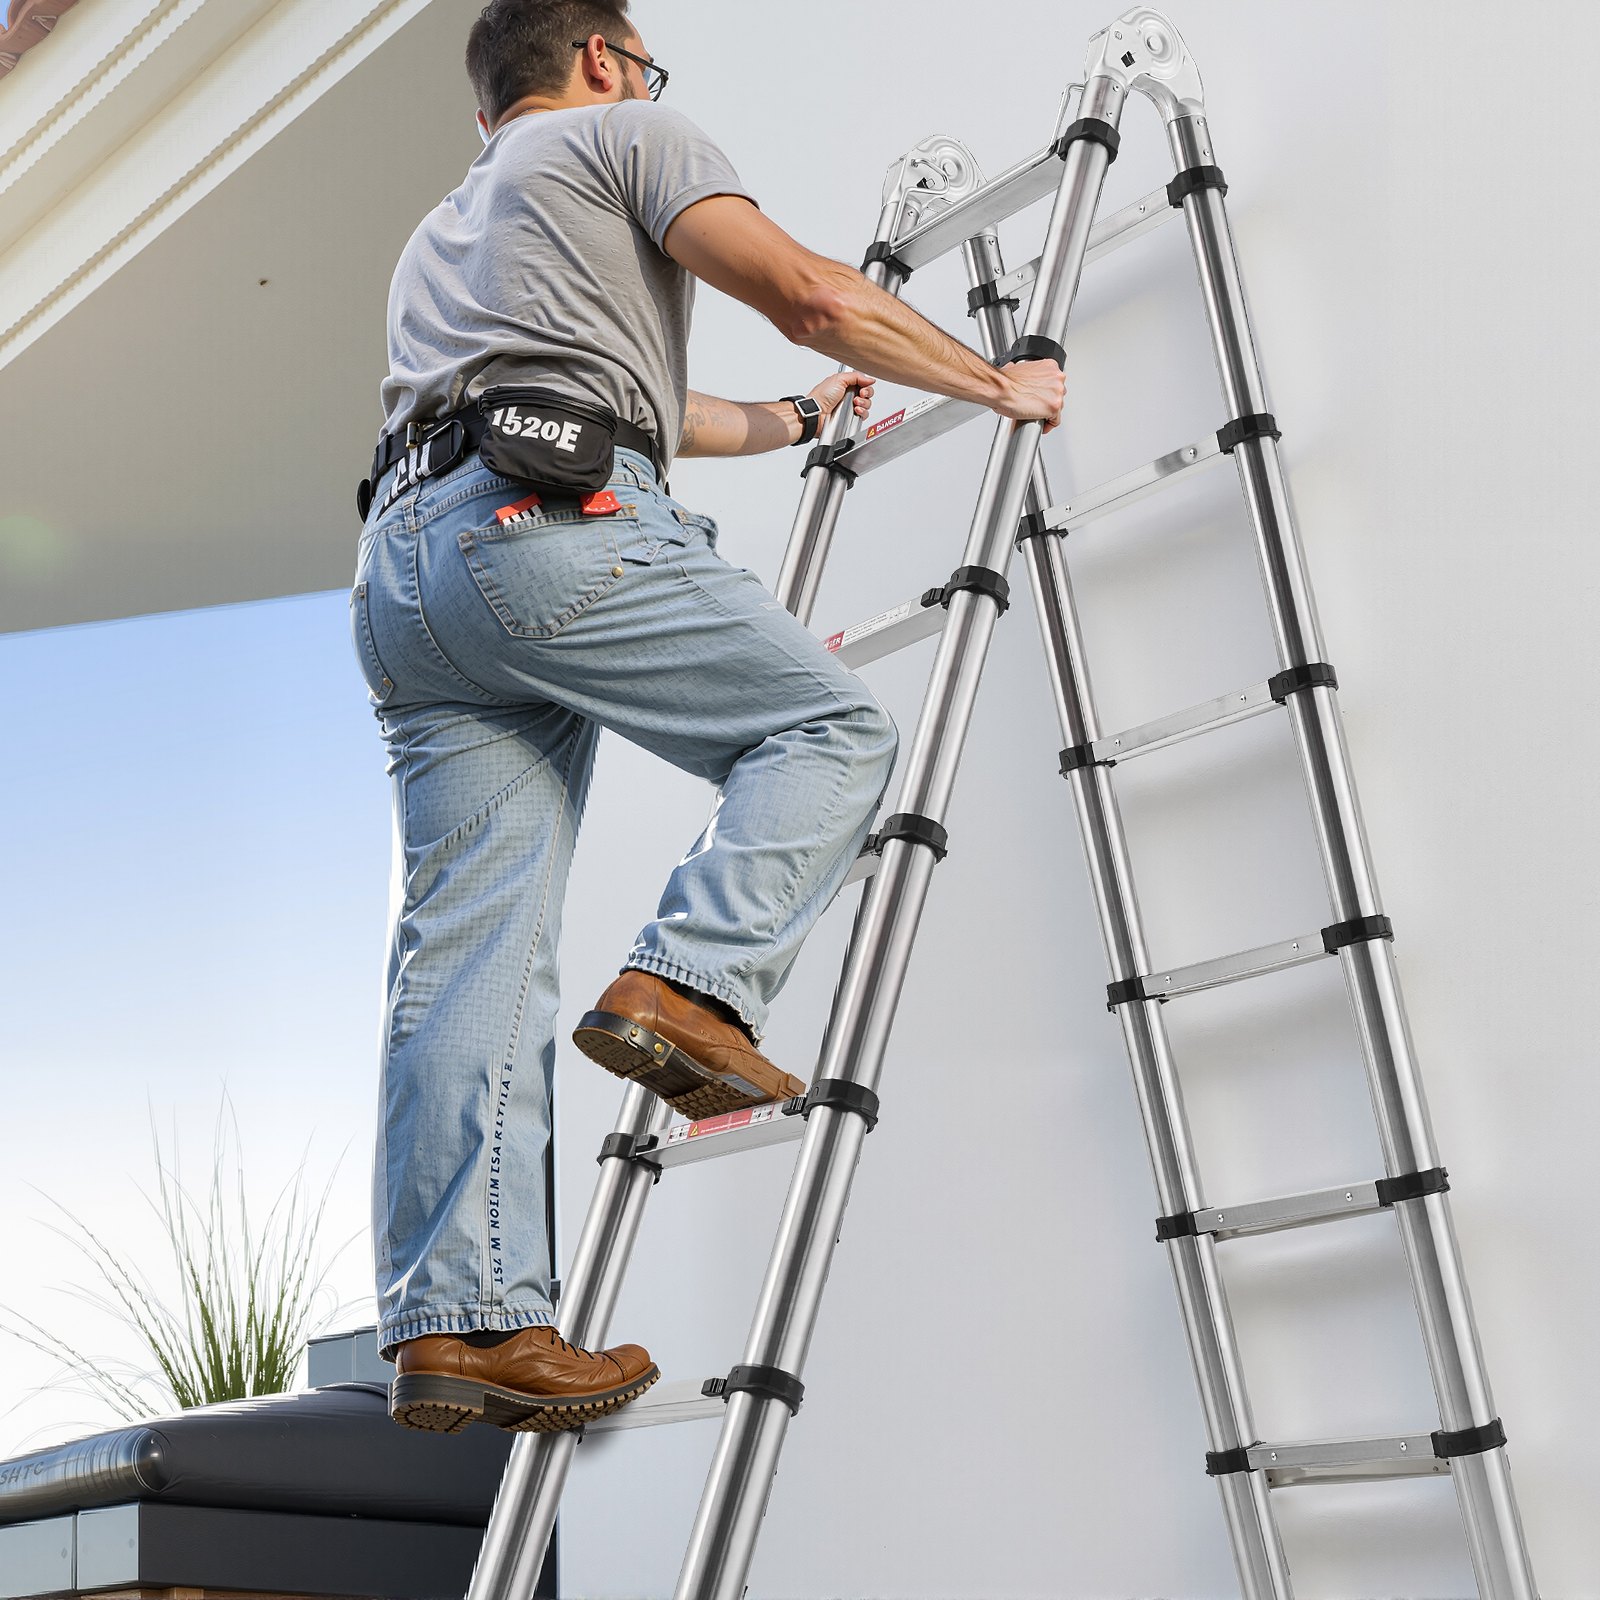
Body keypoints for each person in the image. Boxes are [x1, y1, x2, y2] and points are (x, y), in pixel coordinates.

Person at [351, 0, 1065, 1436]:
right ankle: (687, 986)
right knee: (831, 733)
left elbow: (639, 398)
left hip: (406, 579)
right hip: (543, 530)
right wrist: (998, 383)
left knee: (469, 953)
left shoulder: (449, 233)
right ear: (605, 61)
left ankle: (466, 1324)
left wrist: (806, 424)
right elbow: (806, 290)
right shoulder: (631, 131)